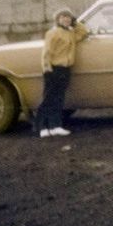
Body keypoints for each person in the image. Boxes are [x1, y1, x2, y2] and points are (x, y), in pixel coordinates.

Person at [34, 8, 88, 137]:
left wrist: (75, 22)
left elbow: (83, 32)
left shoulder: (71, 33)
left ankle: (55, 126)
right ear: (58, 19)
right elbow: (46, 52)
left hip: (65, 69)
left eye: (68, 17)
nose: (66, 19)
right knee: (48, 98)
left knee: (59, 98)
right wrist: (47, 68)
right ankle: (41, 127)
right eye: (63, 17)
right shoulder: (52, 33)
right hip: (53, 69)